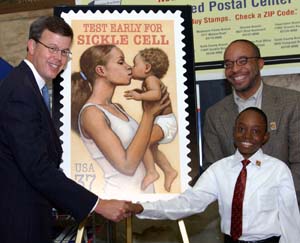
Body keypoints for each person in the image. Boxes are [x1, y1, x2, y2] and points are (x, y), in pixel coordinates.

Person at [0, 16, 132, 243]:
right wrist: (98, 204)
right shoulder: (19, 92)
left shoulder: (30, 86)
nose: (58, 58)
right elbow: (37, 167)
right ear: (31, 46)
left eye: (64, 52)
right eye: (52, 48)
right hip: (20, 223)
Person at [129, 107, 300, 243]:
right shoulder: (219, 170)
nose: (247, 136)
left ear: (265, 137)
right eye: (241, 129)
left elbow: (290, 221)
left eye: (255, 131)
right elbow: (189, 203)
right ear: (234, 132)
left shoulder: (278, 170)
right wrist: (143, 208)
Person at [203, 39, 300, 205]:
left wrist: (282, 204)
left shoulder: (291, 103)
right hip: (238, 218)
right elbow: (213, 170)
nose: (234, 69)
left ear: (260, 64)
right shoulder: (214, 114)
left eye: (242, 61)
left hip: (286, 213)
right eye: (228, 64)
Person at [71, 44, 170, 200]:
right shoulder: (92, 113)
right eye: (121, 62)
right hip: (119, 201)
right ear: (101, 71)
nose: (129, 67)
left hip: (142, 198)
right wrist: (149, 115)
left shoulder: (117, 107)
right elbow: (127, 166)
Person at [124, 47, 178, 192]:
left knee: (144, 143)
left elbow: (156, 95)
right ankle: (169, 170)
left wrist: (140, 96)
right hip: (162, 122)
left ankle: (151, 172)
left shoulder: (151, 79)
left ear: (147, 67)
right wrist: (141, 93)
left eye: (135, 65)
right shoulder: (149, 80)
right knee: (152, 149)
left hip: (165, 122)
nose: (132, 68)